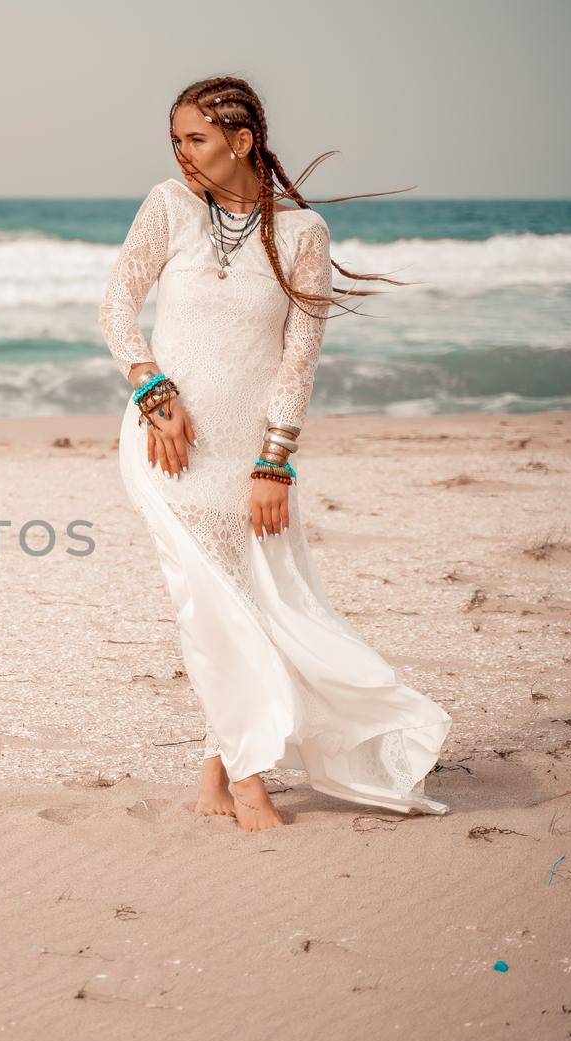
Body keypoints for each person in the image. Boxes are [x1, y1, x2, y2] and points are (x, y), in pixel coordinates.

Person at [97, 76, 453, 831]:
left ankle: (213, 769)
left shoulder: (302, 235)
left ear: (242, 141)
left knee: (250, 604)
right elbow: (115, 306)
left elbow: (299, 359)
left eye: (195, 139)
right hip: (166, 446)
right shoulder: (169, 207)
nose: (181, 154)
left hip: (249, 456)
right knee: (209, 602)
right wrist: (151, 388)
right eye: (176, 140)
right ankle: (251, 772)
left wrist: (274, 462)